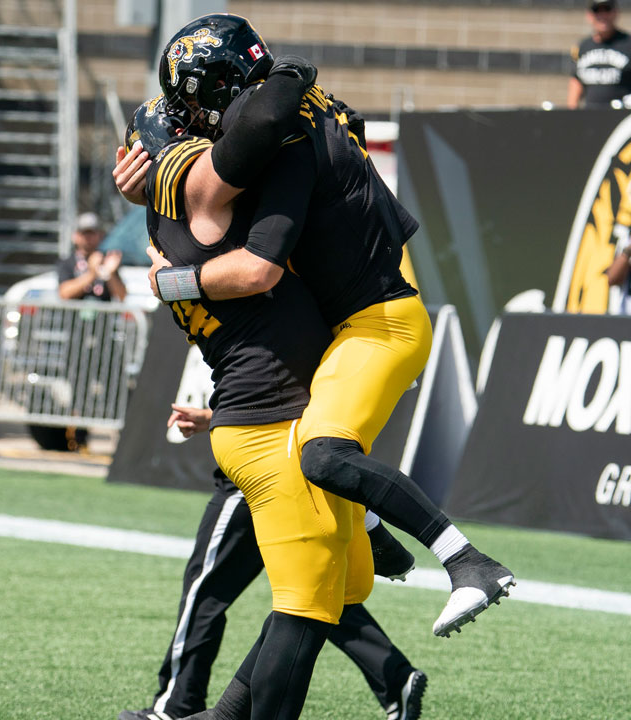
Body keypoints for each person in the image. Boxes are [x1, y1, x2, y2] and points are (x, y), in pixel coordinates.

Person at [119, 14, 512, 641]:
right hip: (353, 319)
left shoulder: (278, 137)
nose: (196, 128)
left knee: (323, 454)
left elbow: (254, 270)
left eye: (197, 111)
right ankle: (376, 530)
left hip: (379, 319)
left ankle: (467, 560)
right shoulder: (287, 113)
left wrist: (166, 280)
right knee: (325, 579)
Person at [123, 90, 406, 720]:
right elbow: (257, 266)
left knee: (316, 592)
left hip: (257, 415)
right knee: (303, 597)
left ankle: (188, 709)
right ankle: (184, 707)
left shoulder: (168, 232)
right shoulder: (198, 217)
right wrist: (300, 95)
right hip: (267, 420)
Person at [119, 401, 423, 720]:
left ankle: (175, 705)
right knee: (314, 594)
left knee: (206, 589)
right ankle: (394, 676)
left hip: (257, 471)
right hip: (286, 463)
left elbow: (279, 382)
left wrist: (218, 417)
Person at [567, 0, 631, 109]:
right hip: (590, 117)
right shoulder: (581, 47)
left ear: (616, 12)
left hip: (626, 118)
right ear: (589, 15)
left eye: (607, 9)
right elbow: (576, 81)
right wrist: (572, 113)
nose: (603, 15)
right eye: (597, 10)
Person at [58, 211, 127, 302]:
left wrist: (110, 274)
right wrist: (92, 273)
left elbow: (122, 296)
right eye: (84, 233)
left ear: (100, 235)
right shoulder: (67, 262)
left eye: (92, 233)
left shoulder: (106, 260)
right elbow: (64, 293)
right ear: (76, 236)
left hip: (103, 315)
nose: (88, 238)